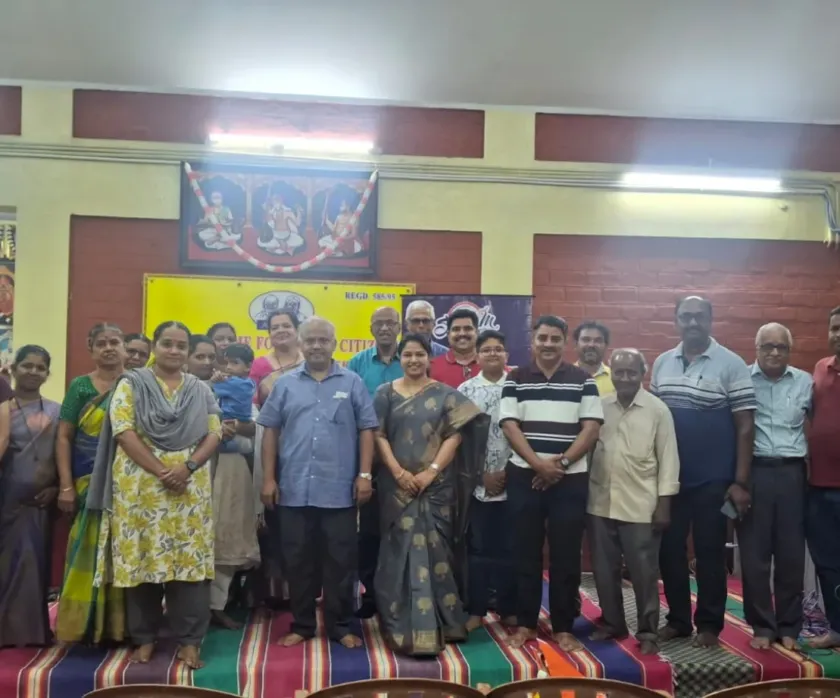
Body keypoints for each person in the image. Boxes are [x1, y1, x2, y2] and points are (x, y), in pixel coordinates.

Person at [87, 321, 221, 669]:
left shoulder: (200, 389)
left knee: (189, 569)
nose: (174, 351)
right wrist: (162, 471)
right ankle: (144, 638)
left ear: (189, 351)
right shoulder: (131, 384)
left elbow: (215, 433)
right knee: (143, 563)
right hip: (140, 489)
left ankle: (190, 642)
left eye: (181, 345)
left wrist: (187, 467)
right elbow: (124, 431)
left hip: (188, 491)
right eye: (167, 344)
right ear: (154, 347)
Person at [259, 317, 378, 649]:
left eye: (322, 340)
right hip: (293, 490)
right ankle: (303, 624)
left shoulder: (352, 382)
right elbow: (270, 431)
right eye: (309, 340)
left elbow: (367, 429)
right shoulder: (284, 385)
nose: (315, 345)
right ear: (300, 343)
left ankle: (341, 626)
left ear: (334, 344)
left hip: (339, 492)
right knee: (297, 561)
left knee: (341, 563)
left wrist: (364, 475)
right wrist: (268, 478)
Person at [374, 332, 488, 656]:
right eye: (407, 355)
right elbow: (378, 436)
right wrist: (398, 472)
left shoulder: (446, 395)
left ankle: (445, 621)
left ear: (429, 358)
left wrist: (430, 472)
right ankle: (401, 623)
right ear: (399, 358)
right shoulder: (384, 393)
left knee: (438, 552)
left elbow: (456, 436)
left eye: (419, 355)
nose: (413, 360)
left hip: (436, 488)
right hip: (396, 488)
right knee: (398, 553)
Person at [651, 296, 755, 648]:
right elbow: (654, 421)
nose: (692, 322)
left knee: (710, 552)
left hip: (714, 480)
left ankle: (709, 624)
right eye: (685, 316)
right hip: (671, 479)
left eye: (699, 316)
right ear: (676, 319)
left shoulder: (732, 364)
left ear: (710, 319)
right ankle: (678, 620)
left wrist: (740, 481)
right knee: (669, 552)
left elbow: (744, 426)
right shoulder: (663, 363)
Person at [500, 315, 603, 652]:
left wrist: (559, 464)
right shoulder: (515, 378)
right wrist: (538, 465)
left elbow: (590, 428)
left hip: (569, 479)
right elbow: (510, 426)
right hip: (524, 476)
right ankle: (527, 624)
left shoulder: (583, 380)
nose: (547, 344)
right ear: (533, 340)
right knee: (525, 553)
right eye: (542, 338)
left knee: (566, 555)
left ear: (564, 342)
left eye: (555, 339)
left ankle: (563, 627)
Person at [587, 349, 680, 655]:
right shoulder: (599, 408)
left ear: (643, 374)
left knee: (644, 572)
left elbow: (668, 460)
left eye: (631, 373)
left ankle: (648, 631)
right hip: (600, 501)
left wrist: (664, 503)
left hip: (642, 505)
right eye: (619, 372)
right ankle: (613, 623)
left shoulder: (657, 410)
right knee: (603, 569)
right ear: (610, 373)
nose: (624, 378)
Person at [736, 323, 811, 651]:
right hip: (755, 473)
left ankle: (790, 626)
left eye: (781, 347)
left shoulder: (805, 382)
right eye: (768, 346)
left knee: (791, 555)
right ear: (756, 348)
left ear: (789, 351)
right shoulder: (741, 380)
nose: (775, 353)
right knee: (754, 556)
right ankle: (763, 627)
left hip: (793, 475)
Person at [55, 322, 127, 645]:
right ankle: (80, 627)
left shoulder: (135, 384)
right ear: (91, 348)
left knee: (122, 554)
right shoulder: (80, 387)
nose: (109, 348)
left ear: (124, 346)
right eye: (102, 343)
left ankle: (119, 628)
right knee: (85, 549)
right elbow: (64, 436)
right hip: (87, 484)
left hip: (127, 487)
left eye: (115, 342)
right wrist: (66, 486)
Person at [346, 306, 403, 619]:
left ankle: (397, 592)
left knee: (399, 528)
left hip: (405, 458)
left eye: (389, 323)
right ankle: (369, 592)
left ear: (398, 327)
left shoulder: (409, 360)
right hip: (367, 456)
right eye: (378, 323)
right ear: (370, 329)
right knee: (368, 531)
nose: (384, 328)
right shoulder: (357, 363)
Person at [0, 345, 58, 647]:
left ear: (48, 373)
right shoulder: (2, 409)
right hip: (6, 498)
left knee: (34, 565)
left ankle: (33, 633)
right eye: (28, 365)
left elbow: (64, 456)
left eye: (40, 367)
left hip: (40, 503)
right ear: (13, 369)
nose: (34, 372)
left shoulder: (55, 411)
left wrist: (57, 488)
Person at [458, 329, 515, 632]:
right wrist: (481, 474)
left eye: (498, 349)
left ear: (507, 354)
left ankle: (508, 609)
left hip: (513, 482)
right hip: (478, 485)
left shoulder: (518, 386)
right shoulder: (466, 390)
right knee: (477, 552)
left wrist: (509, 473)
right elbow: (461, 440)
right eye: (487, 349)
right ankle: (475, 610)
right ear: (477, 356)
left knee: (510, 550)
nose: (493, 354)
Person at [805, 306, 840, 649]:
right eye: (835, 328)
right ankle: (837, 629)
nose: (838, 334)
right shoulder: (820, 368)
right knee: (828, 564)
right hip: (819, 486)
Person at [250, 310, 304, 404]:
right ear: (269, 334)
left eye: (286, 326)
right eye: (275, 328)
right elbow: (252, 403)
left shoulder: (308, 363)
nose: (281, 330)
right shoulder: (259, 365)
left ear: (297, 330)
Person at [212, 343, 256, 453]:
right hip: (240, 423)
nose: (228, 367)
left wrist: (215, 379)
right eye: (227, 362)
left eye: (234, 363)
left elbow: (210, 390)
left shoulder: (235, 383)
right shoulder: (249, 382)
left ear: (248, 366)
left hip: (230, 425)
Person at [430, 307, 481, 388]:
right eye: (456, 329)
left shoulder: (491, 365)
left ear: (477, 333)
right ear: (448, 334)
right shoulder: (431, 368)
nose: (462, 333)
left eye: (467, 328)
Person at [574, 321, 614, 396]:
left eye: (598, 340)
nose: (591, 345)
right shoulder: (564, 378)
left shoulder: (616, 379)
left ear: (606, 346)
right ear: (576, 344)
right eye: (586, 339)